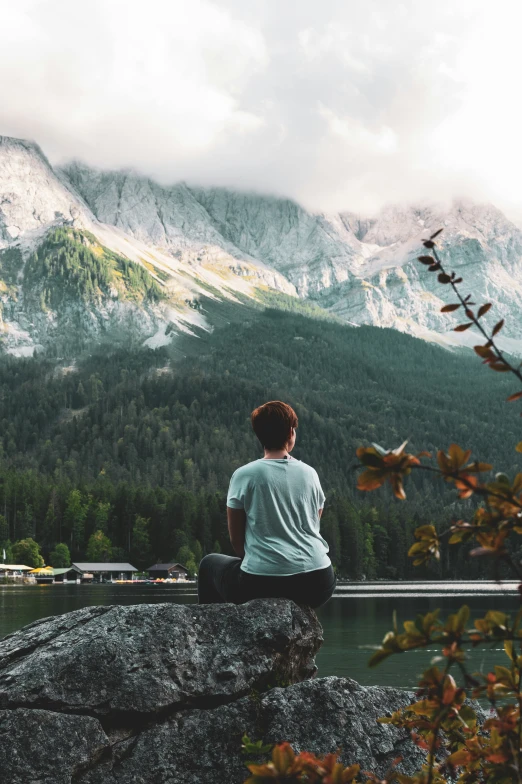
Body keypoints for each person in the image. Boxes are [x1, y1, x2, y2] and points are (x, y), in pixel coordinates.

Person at [198, 400, 336, 608]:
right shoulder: (310, 473)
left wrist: (264, 562)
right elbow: (313, 523)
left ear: (259, 434)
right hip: (318, 581)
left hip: (263, 584)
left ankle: (212, 634)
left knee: (208, 564)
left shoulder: (245, 475)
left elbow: (237, 542)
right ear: (291, 432)